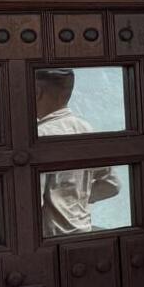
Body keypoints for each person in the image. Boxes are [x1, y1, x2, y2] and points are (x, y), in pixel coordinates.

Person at [36, 68, 122, 236]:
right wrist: (76, 198)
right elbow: (112, 184)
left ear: (37, 92)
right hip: (83, 231)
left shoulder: (40, 135)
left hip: (50, 238)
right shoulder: (85, 129)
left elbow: (33, 200)